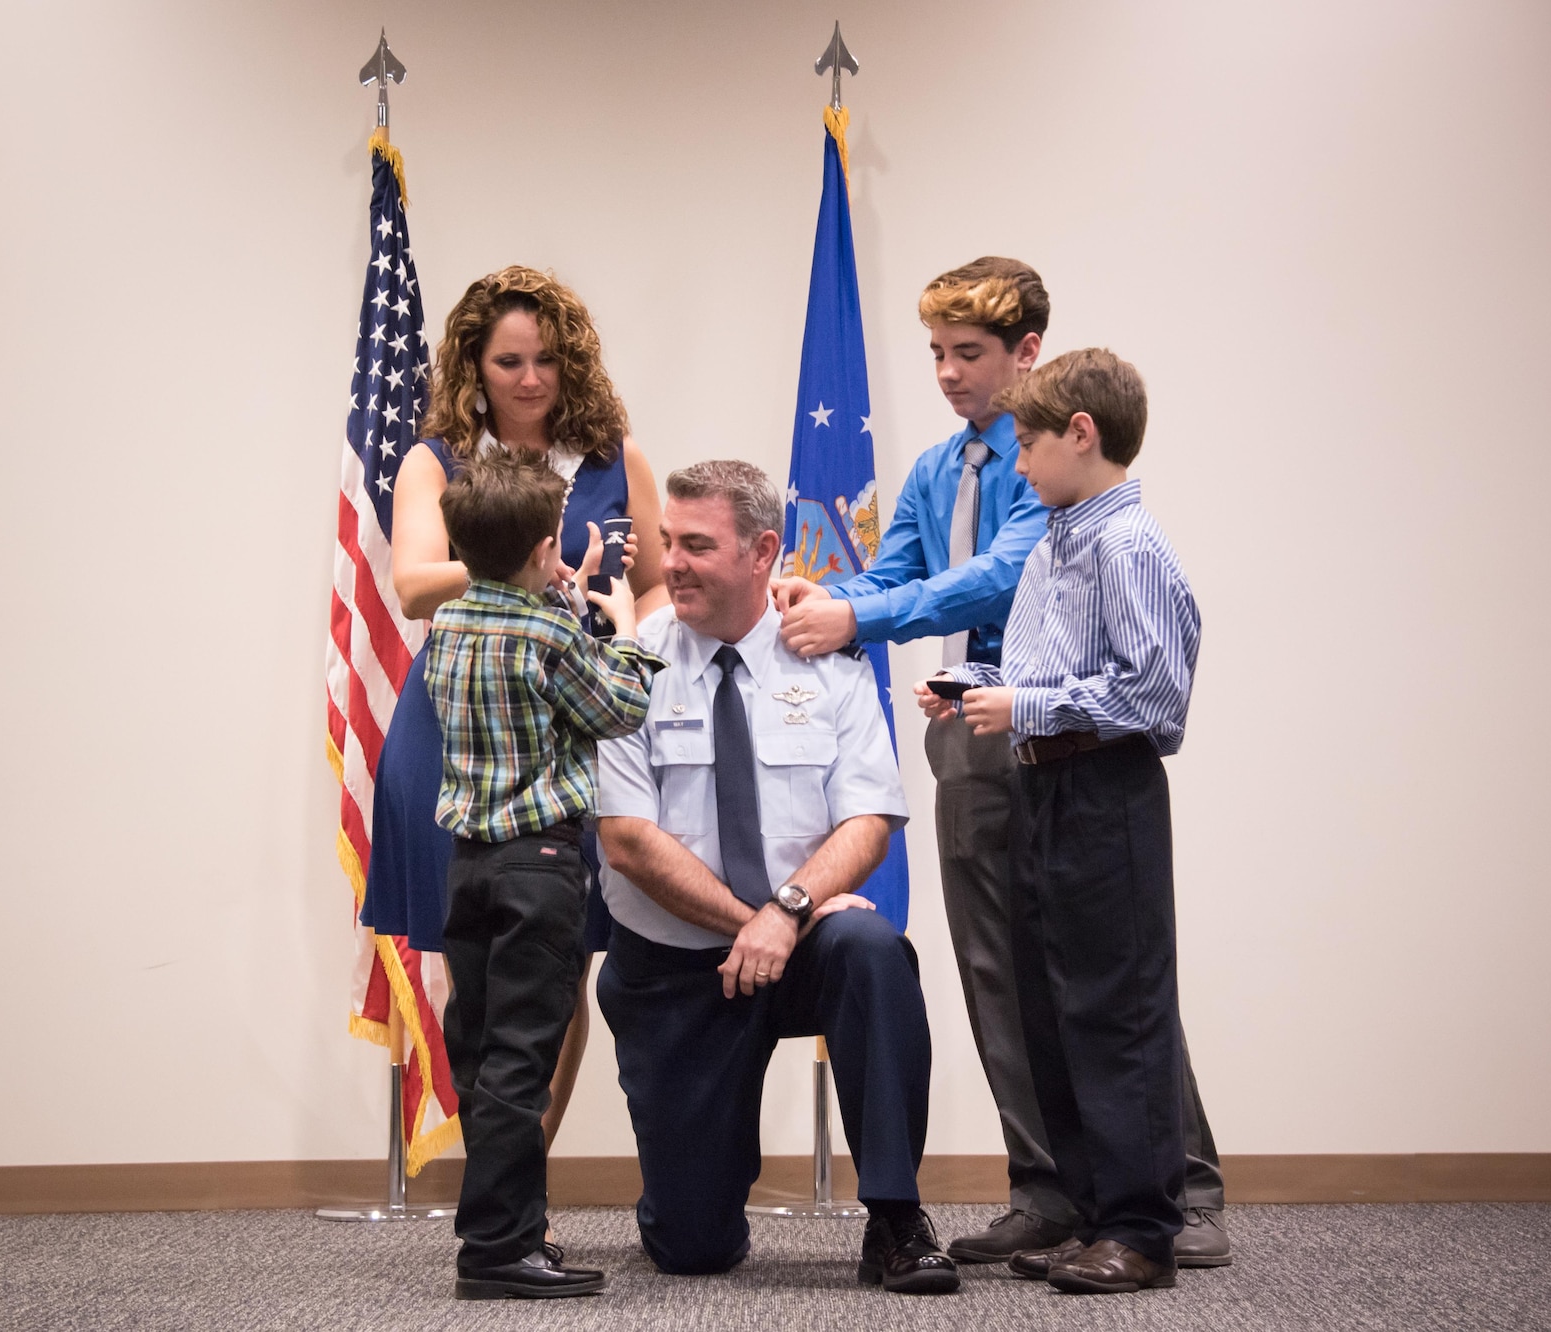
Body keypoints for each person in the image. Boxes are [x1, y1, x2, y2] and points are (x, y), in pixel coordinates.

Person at [775, 258, 1231, 1268]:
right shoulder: (943, 468)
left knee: (1109, 978)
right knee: (1004, 972)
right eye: (934, 352)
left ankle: (1172, 1194)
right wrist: (818, 599)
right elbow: (895, 567)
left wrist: (862, 615)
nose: (945, 373)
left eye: (966, 353)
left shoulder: (1059, 487)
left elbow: (991, 577)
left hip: (1063, 740)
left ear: (1027, 356)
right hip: (975, 735)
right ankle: (1051, 1188)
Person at [594, 460, 959, 1296]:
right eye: (666, 544)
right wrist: (749, 922)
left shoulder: (829, 662)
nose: (671, 563)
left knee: (871, 948)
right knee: (692, 1247)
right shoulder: (630, 666)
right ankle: (691, 1196)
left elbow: (871, 817)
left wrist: (788, 912)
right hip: (680, 967)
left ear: (764, 552)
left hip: (799, 940)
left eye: (695, 545)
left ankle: (897, 1220)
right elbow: (626, 840)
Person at [362, 266, 667, 1148]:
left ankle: (524, 1167)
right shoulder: (437, 460)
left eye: (547, 360)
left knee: (561, 954)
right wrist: (523, 565)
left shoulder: (617, 457)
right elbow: (415, 585)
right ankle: (496, 1161)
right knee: (480, 956)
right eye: (508, 362)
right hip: (459, 727)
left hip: (578, 713)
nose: (531, 380)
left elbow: (652, 586)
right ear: (473, 366)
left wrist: (622, 638)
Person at [918, 348, 1198, 1296]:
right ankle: (1084, 1212)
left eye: (1029, 443)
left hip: (1104, 792)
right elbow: (1046, 676)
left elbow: (1155, 693)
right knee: (1053, 1005)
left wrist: (1028, 712)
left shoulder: (1128, 545)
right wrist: (978, 688)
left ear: (1083, 435)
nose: (1020, 464)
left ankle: (1143, 1230)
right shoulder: (1054, 542)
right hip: (1042, 790)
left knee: (1116, 1010)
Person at [427, 453, 662, 1299]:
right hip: (543, 864)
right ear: (541, 546)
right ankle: (498, 1248)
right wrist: (626, 626)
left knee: (485, 1053)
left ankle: (506, 1229)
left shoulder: (450, 622)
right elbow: (617, 709)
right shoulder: (553, 632)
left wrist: (560, 591)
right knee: (528, 1057)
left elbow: (519, 670)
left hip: (470, 867)